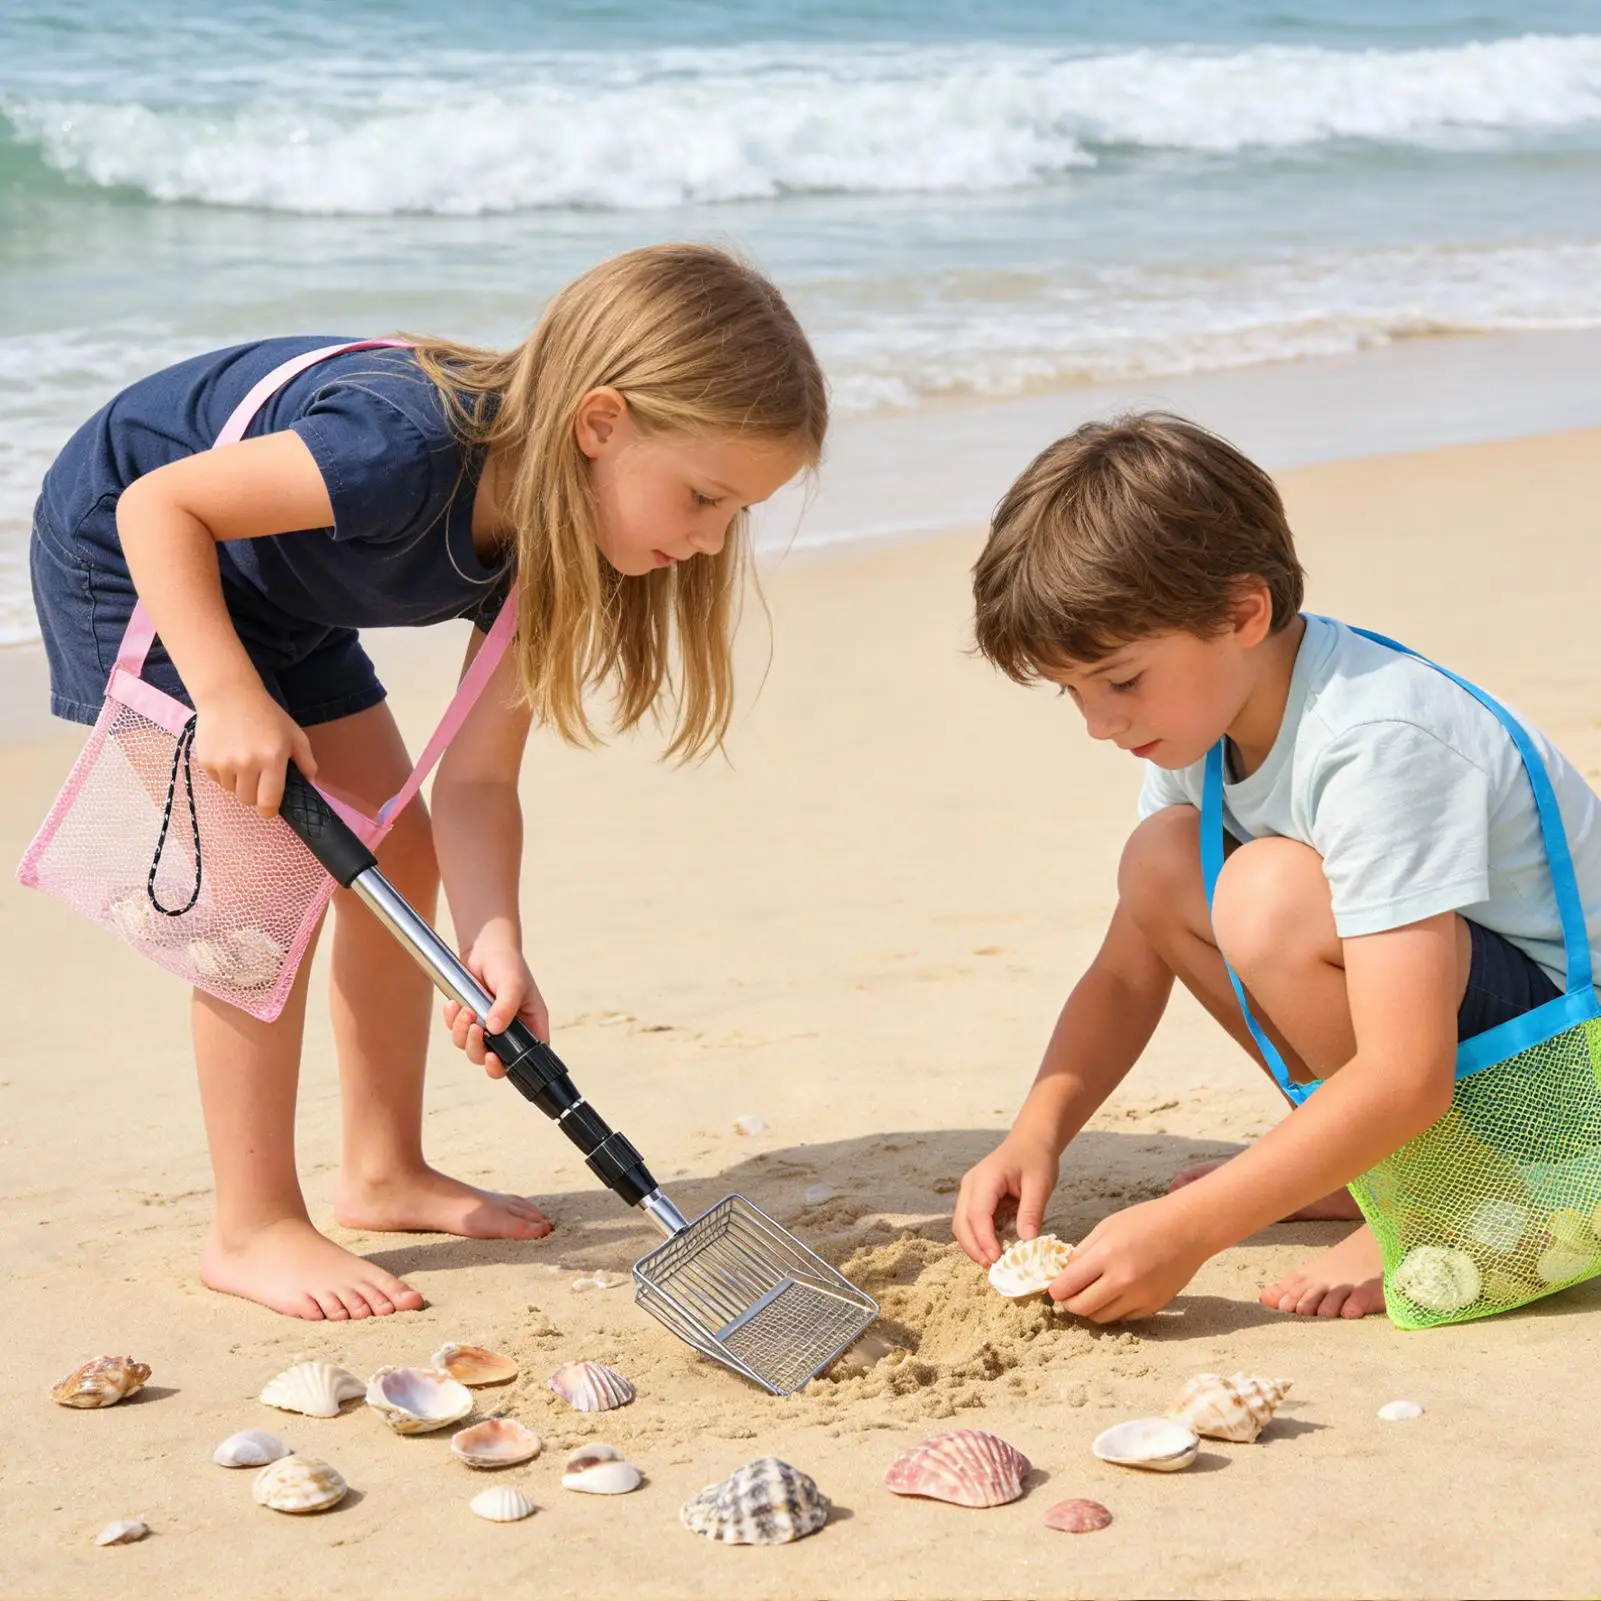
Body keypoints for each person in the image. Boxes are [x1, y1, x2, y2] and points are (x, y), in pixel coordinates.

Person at [29, 244, 825, 1322]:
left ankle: (382, 1168)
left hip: (281, 593)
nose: (711, 539)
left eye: (736, 514)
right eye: (703, 497)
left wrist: (495, 939)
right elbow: (159, 505)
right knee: (257, 888)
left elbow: (479, 780)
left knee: (393, 851)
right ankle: (250, 1225)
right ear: (600, 424)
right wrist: (226, 692)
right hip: (140, 558)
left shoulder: (560, 540)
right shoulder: (398, 449)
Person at [950, 412, 1601, 1321]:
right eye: (1072, 690)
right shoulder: (1204, 723)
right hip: (1472, 1058)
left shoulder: (1375, 739)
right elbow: (1125, 972)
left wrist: (1189, 1228)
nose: (1098, 723)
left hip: (1570, 1093)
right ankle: (1377, 1163)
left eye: (1120, 679)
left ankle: (1454, 1201)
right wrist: (1036, 1130)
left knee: (1266, 898)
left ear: (1242, 614)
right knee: (1163, 860)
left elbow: (1406, 1072)